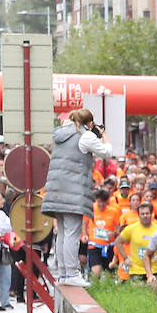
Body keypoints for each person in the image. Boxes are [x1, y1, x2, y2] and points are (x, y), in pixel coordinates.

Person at [41, 108, 113, 287]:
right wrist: (103, 136)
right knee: (72, 233)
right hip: (73, 191)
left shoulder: (61, 135)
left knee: (63, 233)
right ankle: (72, 273)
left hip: (56, 190)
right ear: (88, 122)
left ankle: (64, 273)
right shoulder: (85, 136)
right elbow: (107, 153)